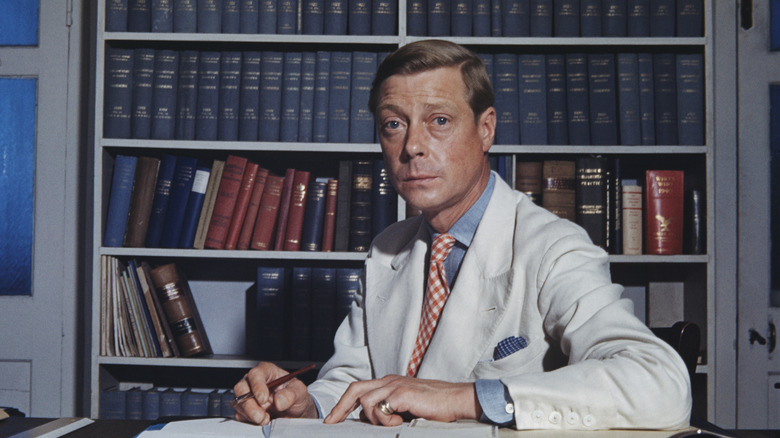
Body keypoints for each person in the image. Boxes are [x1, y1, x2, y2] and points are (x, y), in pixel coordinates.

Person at [233, 39, 692, 430]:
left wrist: (465, 398)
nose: (411, 146)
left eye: (439, 121)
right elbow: (355, 380)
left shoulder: (554, 248)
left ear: (485, 129)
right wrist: (303, 403)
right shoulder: (386, 249)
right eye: (394, 124)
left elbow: (660, 383)